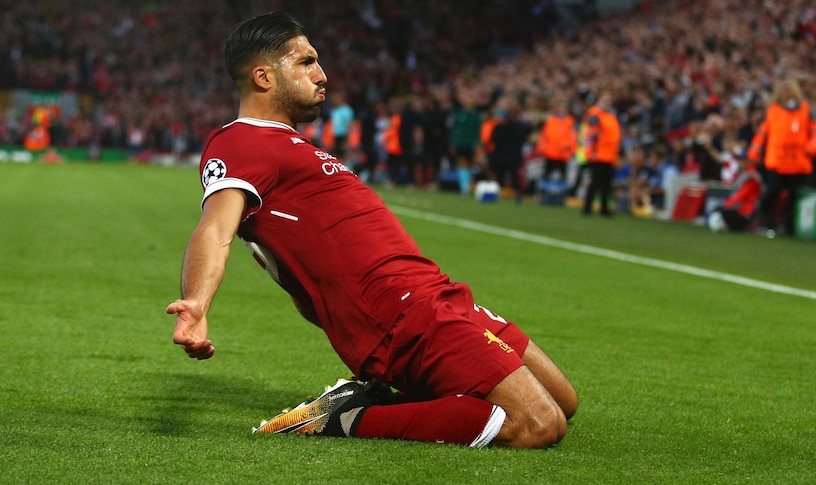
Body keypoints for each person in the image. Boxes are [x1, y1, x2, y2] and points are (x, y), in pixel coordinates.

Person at [166, 12, 577, 449]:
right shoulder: (241, 142)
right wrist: (197, 301)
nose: (322, 75)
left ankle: (384, 398)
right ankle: (345, 418)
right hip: (403, 314)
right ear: (263, 77)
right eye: (306, 63)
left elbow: (304, 280)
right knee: (538, 423)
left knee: (563, 400)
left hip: (438, 295)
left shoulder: (292, 147)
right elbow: (214, 229)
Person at [747, 78, 816, 236]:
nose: (787, 92)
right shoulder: (773, 110)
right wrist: (754, 153)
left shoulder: (805, 109)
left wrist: (810, 149)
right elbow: (762, 133)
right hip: (777, 160)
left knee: (794, 197)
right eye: (784, 89)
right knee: (772, 191)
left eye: (789, 88)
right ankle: (761, 221)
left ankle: (790, 229)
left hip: (798, 161)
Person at [581, 90, 622, 216]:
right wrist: (591, 151)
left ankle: (604, 208)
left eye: (609, 100)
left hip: (609, 155)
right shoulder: (595, 114)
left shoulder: (610, 115)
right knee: (595, 182)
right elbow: (590, 134)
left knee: (606, 184)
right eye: (605, 100)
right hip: (598, 154)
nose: (608, 102)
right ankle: (587, 207)